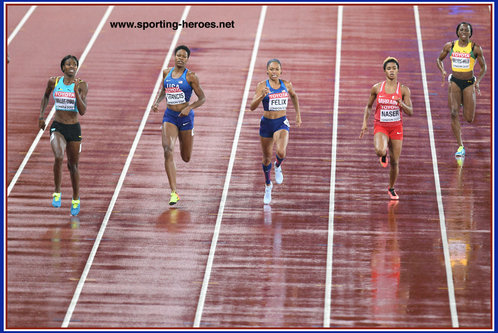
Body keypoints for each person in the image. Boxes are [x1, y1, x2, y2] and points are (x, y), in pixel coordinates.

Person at [152, 45, 206, 205]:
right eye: (178, 55)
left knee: (186, 157)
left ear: (187, 59)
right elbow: (164, 90)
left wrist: (189, 107)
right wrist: (157, 102)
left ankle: (187, 139)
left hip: (186, 118)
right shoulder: (166, 73)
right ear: (174, 56)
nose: (180, 58)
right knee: (168, 150)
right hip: (170, 116)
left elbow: (202, 98)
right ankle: (173, 192)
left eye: (184, 56)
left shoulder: (191, 77)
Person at [39, 55, 88, 216]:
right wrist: (41, 116)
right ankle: (57, 192)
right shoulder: (54, 82)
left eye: (74, 64)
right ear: (63, 68)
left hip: (74, 128)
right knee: (59, 156)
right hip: (58, 126)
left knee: (73, 166)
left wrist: (76, 93)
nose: (72, 66)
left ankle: (75, 199)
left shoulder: (81, 85)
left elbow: (82, 111)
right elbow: (46, 96)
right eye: (68, 64)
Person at [360, 57, 413, 200]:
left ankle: (391, 188)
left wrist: (401, 104)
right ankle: (383, 154)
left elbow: (411, 111)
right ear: (384, 71)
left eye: (394, 68)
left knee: (395, 162)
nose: (391, 71)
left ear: (398, 70)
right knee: (380, 150)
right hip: (381, 125)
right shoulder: (377, 88)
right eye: (389, 68)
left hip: (396, 127)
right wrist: (365, 122)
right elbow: (369, 106)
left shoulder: (403, 90)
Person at [250, 59, 301, 205]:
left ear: (281, 71)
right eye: (271, 69)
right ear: (267, 71)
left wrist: (298, 114)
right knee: (266, 159)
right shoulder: (262, 86)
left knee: (281, 152)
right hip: (266, 124)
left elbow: (294, 96)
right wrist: (261, 96)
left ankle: (278, 165)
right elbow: (252, 107)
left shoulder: (287, 85)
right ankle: (267, 185)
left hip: (281, 123)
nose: (274, 72)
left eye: (276, 69)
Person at [436, 21, 487, 157]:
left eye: (467, 30)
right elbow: (439, 59)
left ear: (470, 33)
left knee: (469, 118)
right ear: (458, 32)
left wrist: (478, 82)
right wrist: (442, 71)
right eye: (462, 30)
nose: (464, 32)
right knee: (453, 112)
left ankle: (465, 99)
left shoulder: (475, 48)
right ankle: (460, 146)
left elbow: (484, 67)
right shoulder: (450, 46)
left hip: (469, 83)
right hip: (455, 82)